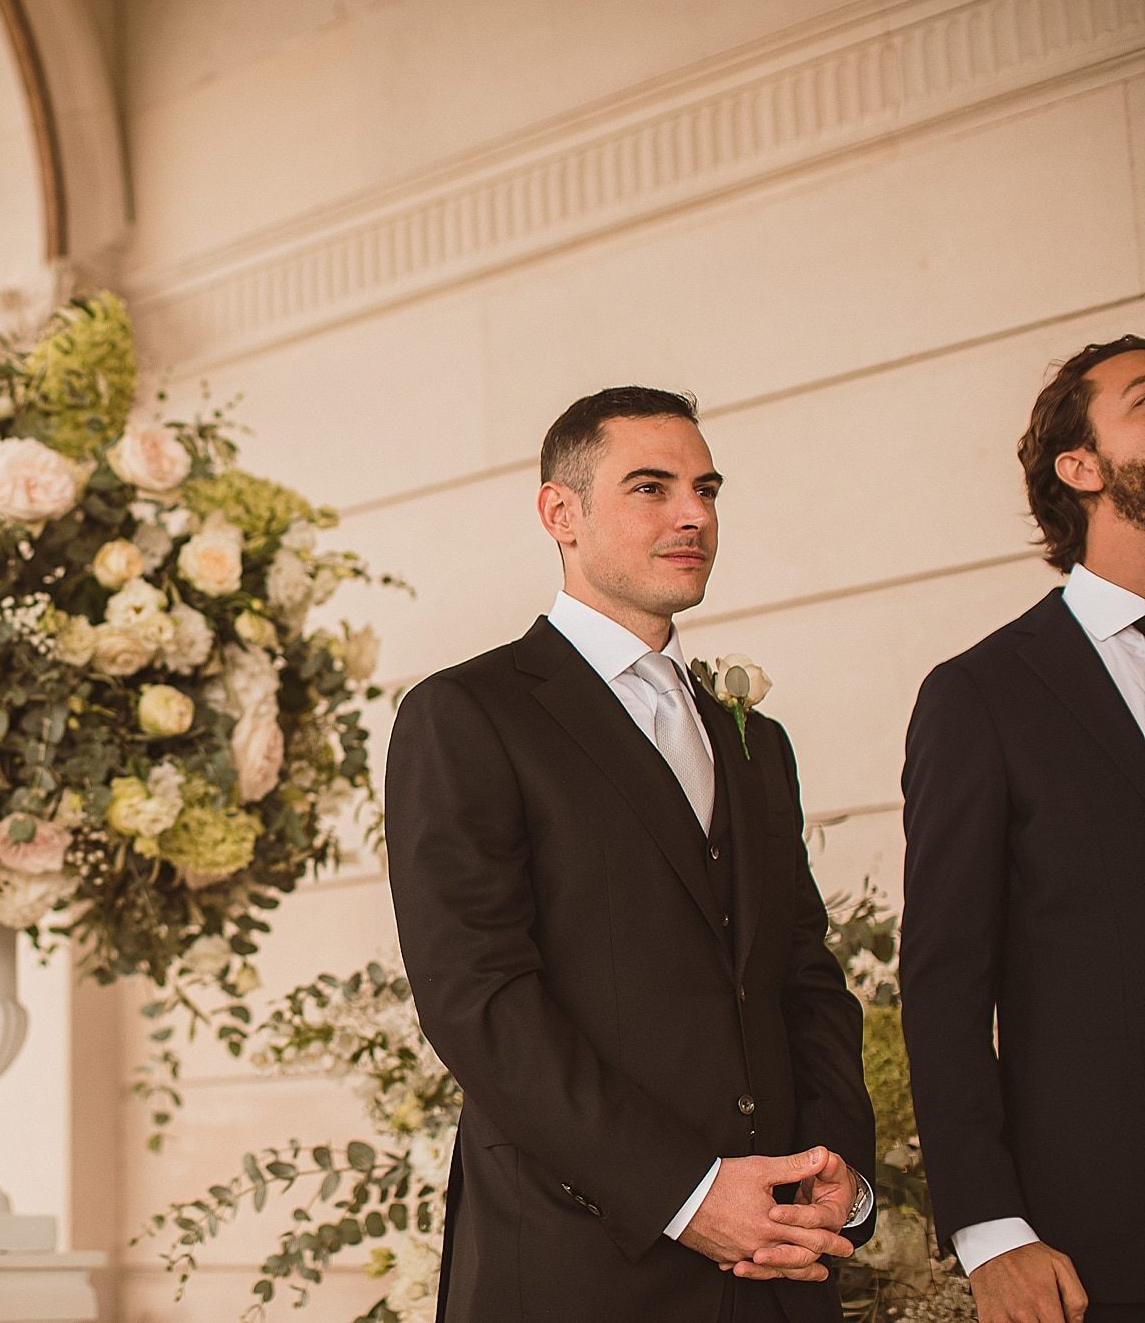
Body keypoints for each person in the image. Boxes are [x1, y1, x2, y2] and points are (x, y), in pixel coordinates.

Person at [385, 386, 876, 1322]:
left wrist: (837, 1181)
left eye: (707, 488)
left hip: (780, 1271)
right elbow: (479, 997)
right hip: (578, 1266)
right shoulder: (469, 715)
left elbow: (803, 978)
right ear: (559, 514)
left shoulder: (753, 739)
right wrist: (688, 1194)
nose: (694, 514)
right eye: (651, 487)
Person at [901, 336, 1145, 1323]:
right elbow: (944, 979)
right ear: (1078, 468)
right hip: (1103, 1229)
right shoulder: (981, 696)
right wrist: (987, 1225)